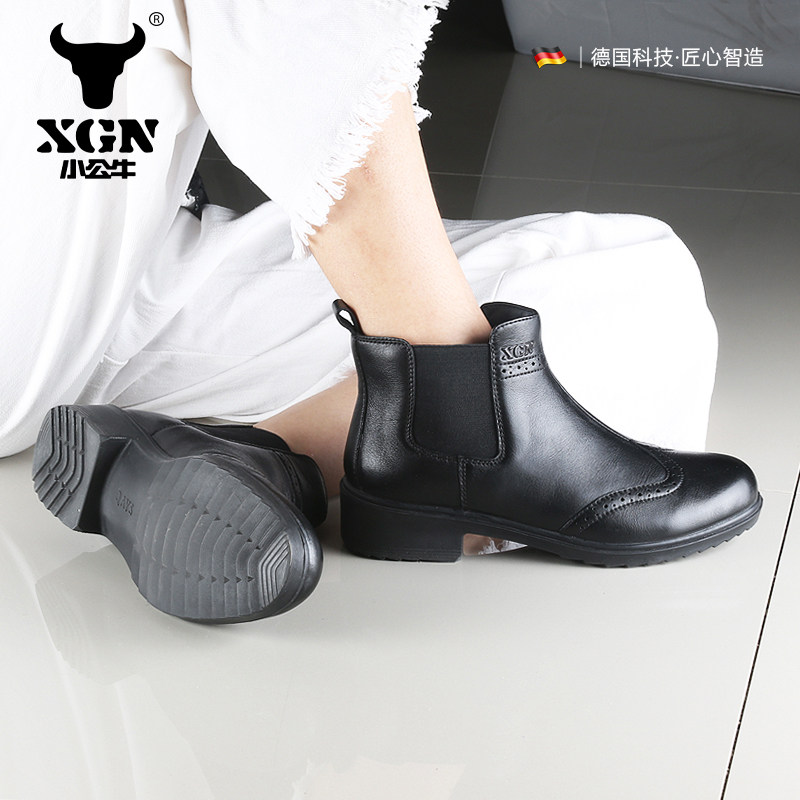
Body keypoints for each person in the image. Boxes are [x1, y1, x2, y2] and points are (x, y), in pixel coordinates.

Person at [4, 2, 761, 623]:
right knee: (550, 333)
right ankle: (440, 428)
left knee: (632, 280)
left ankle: (248, 457)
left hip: (103, 278)